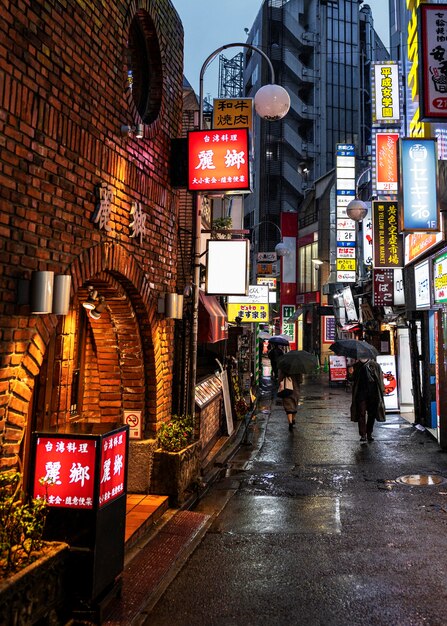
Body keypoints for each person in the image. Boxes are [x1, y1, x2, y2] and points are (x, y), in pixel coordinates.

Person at [350, 358, 385, 442]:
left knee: (371, 414)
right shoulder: (356, 366)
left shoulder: (375, 365)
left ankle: (369, 433)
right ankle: (363, 435)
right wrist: (350, 374)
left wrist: (382, 391)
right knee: (361, 414)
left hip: (373, 394)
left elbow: (380, 378)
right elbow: (352, 379)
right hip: (360, 394)